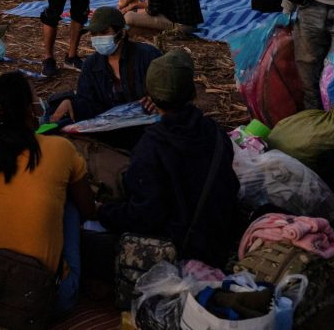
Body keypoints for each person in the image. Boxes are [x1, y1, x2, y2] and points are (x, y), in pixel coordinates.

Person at [0, 71, 97, 317]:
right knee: (68, 202)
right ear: (28, 110)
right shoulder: (61, 148)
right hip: (48, 297)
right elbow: (89, 210)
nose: (39, 105)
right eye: (35, 100)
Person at [93, 50, 240, 270]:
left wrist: (102, 211)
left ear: (150, 95)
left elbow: (143, 217)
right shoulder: (216, 134)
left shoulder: (151, 147)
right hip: (219, 241)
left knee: (88, 243)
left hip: (179, 253)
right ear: (192, 93)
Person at [49, 7, 162, 123]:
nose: (98, 38)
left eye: (104, 32)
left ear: (122, 33)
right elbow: (87, 101)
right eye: (94, 34)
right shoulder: (91, 65)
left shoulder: (148, 56)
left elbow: (167, 91)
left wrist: (157, 101)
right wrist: (70, 103)